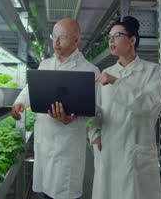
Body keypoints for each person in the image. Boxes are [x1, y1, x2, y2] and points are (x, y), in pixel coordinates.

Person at [12, 18, 100, 199]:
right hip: (44, 143)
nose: (56, 43)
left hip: (67, 147)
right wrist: (19, 103)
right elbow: (30, 90)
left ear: (76, 39)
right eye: (54, 37)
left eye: (63, 37)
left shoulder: (89, 71)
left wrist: (72, 119)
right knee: (45, 193)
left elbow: (95, 108)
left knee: (63, 194)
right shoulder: (45, 65)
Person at [89, 16, 161, 199]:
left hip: (135, 151)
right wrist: (94, 135)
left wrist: (117, 83)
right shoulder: (107, 74)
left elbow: (150, 106)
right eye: (109, 37)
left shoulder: (152, 71)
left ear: (132, 40)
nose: (111, 40)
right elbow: (96, 110)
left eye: (117, 35)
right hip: (107, 151)